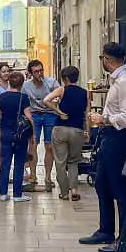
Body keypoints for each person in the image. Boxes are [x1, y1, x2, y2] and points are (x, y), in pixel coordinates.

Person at [79, 42, 126, 252]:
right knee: (102, 184)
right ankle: (106, 230)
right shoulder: (117, 80)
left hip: (119, 138)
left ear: (106, 59)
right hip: (110, 137)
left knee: (120, 189)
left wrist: (103, 118)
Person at [43, 65, 88, 201]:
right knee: (74, 161)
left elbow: (46, 100)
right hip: (77, 130)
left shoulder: (62, 90)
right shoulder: (85, 92)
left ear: (66, 79)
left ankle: (64, 192)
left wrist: (58, 111)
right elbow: (86, 114)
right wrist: (87, 131)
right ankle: (74, 190)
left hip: (60, 129)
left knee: (60, 161)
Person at [0, 71, 33, 203]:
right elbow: (29, 117)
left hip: (5, 133)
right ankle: (17, 194)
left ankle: (3, 193)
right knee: (19, 164)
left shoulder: (2, 97)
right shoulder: (24, 98)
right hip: (20, 135)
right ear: (22, 84)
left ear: (9, 82)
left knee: (5, 163)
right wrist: (33, 135)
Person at [21, 60, 58, 191]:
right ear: (30, 73)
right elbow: (24, 102)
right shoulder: (26, 86)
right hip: (34, 115)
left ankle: (48, 177)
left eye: (41, 70)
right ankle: (33, 175)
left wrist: (53, 98)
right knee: (32, 145)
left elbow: (59, 96)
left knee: (49, 146)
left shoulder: (51, 82)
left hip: (50, 114)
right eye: (36, 71)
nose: (39, 73)